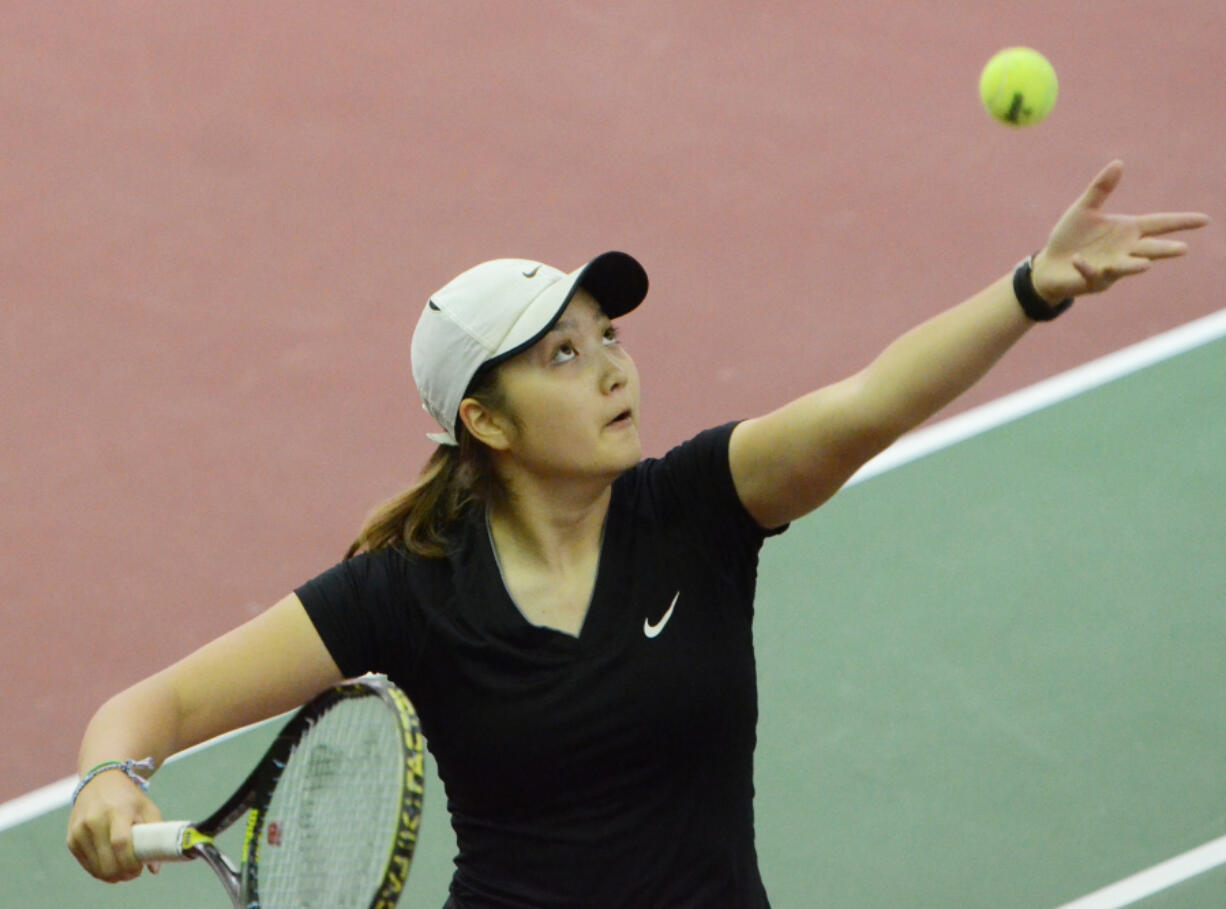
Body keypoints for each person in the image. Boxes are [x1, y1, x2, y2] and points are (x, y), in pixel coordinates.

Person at [67, 160, 1207, 906]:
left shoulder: (697, 509)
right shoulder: (407, 592)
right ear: (484, 419)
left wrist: (1028, 288)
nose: (611, 367)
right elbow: (150, 710)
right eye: (561, 355)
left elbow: (870, 402)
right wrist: (108, 779)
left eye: (606, 334)